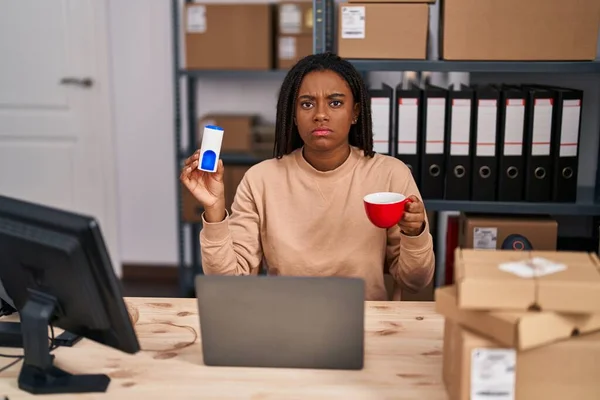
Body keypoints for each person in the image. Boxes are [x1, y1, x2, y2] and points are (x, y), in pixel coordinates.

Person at [180, 52, 434, 301]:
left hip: (369, 325)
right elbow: (228, 284)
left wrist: (415, 233)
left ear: (355, 112)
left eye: (335, 103)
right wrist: (214, 210)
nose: (320, 114)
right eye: (307, 104)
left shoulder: (390, 174)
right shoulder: (260, 180)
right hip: (286, 325)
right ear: (293, 114)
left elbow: (415, 281)